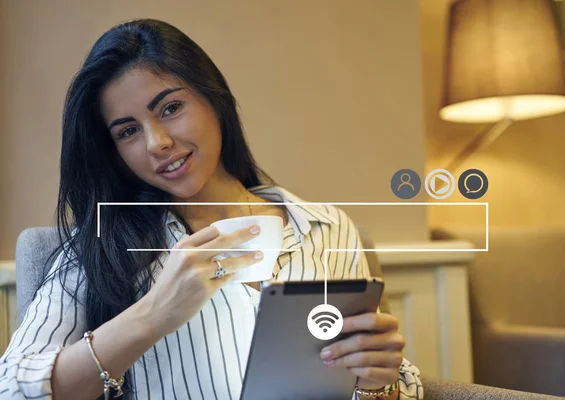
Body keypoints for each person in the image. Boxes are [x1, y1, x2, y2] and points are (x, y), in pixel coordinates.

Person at [0, 19, 422, 400]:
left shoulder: (329, 229)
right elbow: (13, 389)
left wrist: (376, 384)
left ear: (214, 99)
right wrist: (153, 314)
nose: (156, 142)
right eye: (128, 131)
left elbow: (376, 383)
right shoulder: (101, 247)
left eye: (170, 108)